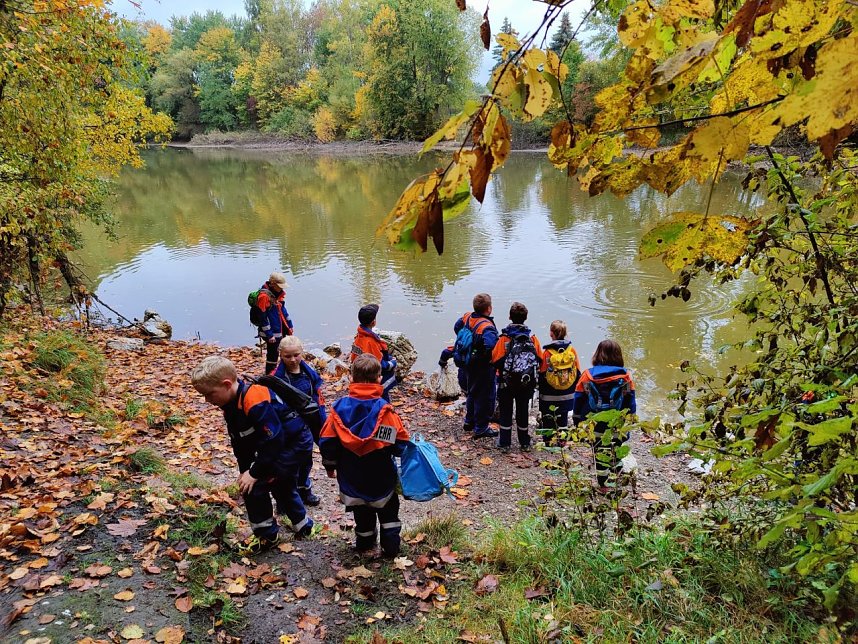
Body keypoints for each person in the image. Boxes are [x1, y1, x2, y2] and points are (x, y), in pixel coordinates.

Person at [191, 356, 313, 551]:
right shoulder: (230, 404)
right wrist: (245, 471)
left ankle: (267, 536)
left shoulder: (254, 400)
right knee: (278, 482)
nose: (207, 400)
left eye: (209, 394)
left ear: (227, 384)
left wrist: (254, 474)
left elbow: (274, 440)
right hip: (280, 444)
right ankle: (303, 525)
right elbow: (241, 442)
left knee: (258, 486)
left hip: (294, 444)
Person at [319, 354, 410, 557]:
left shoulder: (338, 410)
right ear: (379, 379)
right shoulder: (386, 413)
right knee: (389, 514)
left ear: (351, 379)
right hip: (381, 476)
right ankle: (391, 549)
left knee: (361, 513)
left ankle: (365, 544)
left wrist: (330, 466)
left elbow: (327, 441)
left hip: (352, 476)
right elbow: (400, 443)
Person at [572, 340, 637, 490]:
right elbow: (630, 400)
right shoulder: (626, 376)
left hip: (594, 424)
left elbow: (579, 398)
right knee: (617, 448)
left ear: (597, 354)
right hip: (617, 424)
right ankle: (617, 474)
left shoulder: (587, 375)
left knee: (599, 453)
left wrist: (577, 419)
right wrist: (630, 420)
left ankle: (603, 485)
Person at [272, 336, 327, 507]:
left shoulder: (309, 375)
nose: (293, 360)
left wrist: (322, 425)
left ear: (302, 353)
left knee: (306, 461)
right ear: (280, 355)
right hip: (288, 428)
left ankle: (305, 491)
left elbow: (318, 401)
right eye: (287, 356)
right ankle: (285, 498)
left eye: (296, 355)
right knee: (288, 465)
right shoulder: (276, 379)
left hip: (308, 425)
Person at [491, 302, 542, 452]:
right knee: (522, 411)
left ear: (509, 317)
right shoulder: (532, 339)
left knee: (506, 412)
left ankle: (505, 443)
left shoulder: (504, 339)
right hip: (526, 382)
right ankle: (524, 442)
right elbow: (539, 358)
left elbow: (495, 359)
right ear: (526, 318)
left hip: (506, 382)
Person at [453, 293, 500, 439]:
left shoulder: (467, 316)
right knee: (483, 397)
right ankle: (481, 428)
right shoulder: (487, 327)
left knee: (472, 392)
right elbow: (492, 346)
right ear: (489, 309)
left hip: (466, 362)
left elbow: (457, 327)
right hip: (481, 367)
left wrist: (469, 343)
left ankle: (469, 421)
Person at [538, 320, 581, 442]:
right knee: (563, 418)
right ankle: (562, 441)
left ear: (551, 333)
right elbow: (577, 372)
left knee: (547, 418)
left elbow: (542, 373)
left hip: (548, 396)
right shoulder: (571, 351)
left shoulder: (547, 353)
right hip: (567, 395)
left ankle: (548, 441)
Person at [349, 303, 397, 401]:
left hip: (360, 376)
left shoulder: (359, 336)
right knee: (382, 398)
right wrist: (392, 363)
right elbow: (378, 364)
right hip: (371, 378)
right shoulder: (371, 342)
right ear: (373, 322)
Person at [256, 272, 294, 374]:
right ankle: (270, 374)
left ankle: (283, 372)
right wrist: (269, 335)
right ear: (272, 284)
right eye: (279, 286)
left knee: (285, 350)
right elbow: (262, 317)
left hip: (281, 328)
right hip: (272, 333)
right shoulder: (263, 296)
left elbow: (284, 311)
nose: (282, 289)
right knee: (272, 354)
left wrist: (290, 325)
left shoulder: (278, 294)